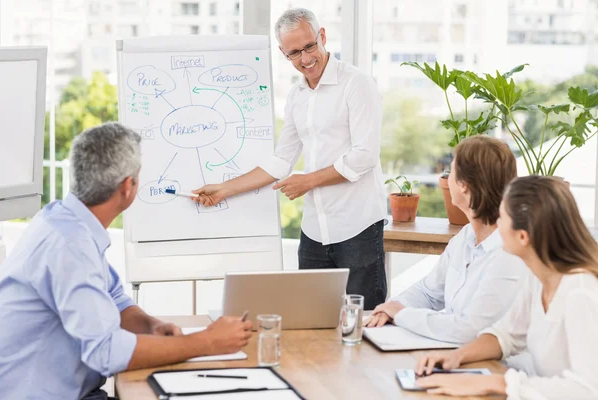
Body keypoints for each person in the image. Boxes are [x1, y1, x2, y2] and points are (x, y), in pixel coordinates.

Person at [0, 123, 253, 400]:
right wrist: (207, 342)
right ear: (128, 186)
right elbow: (106, 353)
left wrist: (150, 326)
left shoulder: (64, 220)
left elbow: (115, 299)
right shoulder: (71, 245)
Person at [192, 8, 387, 309]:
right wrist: (223, 189)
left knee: (364, 321)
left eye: (309, 47)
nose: (305, 59)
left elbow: (364, 156)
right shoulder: (297, 96)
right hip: (313, 231)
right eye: (295, 53)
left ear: (322, 36)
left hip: (357, 226)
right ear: (284, 53)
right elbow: (281, 160)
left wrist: (308, 181)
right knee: (310, 321)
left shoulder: (356, 84)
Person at [415, 176, 598, 398]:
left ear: (523, 237)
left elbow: (588, 389)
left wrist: (496, 383)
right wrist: (457, 356)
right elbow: (507, 335)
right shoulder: (539, 277)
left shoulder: (581, 291)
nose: (496, 225)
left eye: (502, 218)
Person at [364, 136, 527, 344]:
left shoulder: (509, 252)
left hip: (496, 367)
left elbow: (469, 330)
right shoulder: (466, 236)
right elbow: (429, 292)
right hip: (453, 352)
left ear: (463, 186)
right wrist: (391, 309)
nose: (446, 179)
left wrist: (402, 315)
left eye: (451, 172)